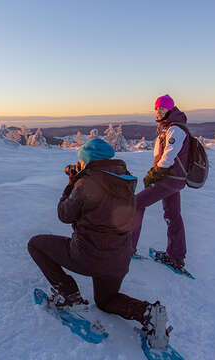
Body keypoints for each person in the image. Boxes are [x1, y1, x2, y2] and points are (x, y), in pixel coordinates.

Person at [27, 138, 171, 349]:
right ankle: (147, 312)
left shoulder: (87, 183)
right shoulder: (126, 182)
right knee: (106, 301)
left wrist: (71, 184)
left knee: (35, 245)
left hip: (88, 256)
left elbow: (64, 214)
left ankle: (70, 297)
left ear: (88, 161)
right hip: (119, 260)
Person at [131, 94, 189, 270]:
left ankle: (127, 248)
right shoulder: (168, 127)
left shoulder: (175, 129)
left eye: (162, 108)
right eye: (157, 108)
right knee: (172, 215)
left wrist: (154, 174)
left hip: (169, 179)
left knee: (135, 204)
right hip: (173, 179)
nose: (159, 111)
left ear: (170, 109)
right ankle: (176, 257)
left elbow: (168, 157)